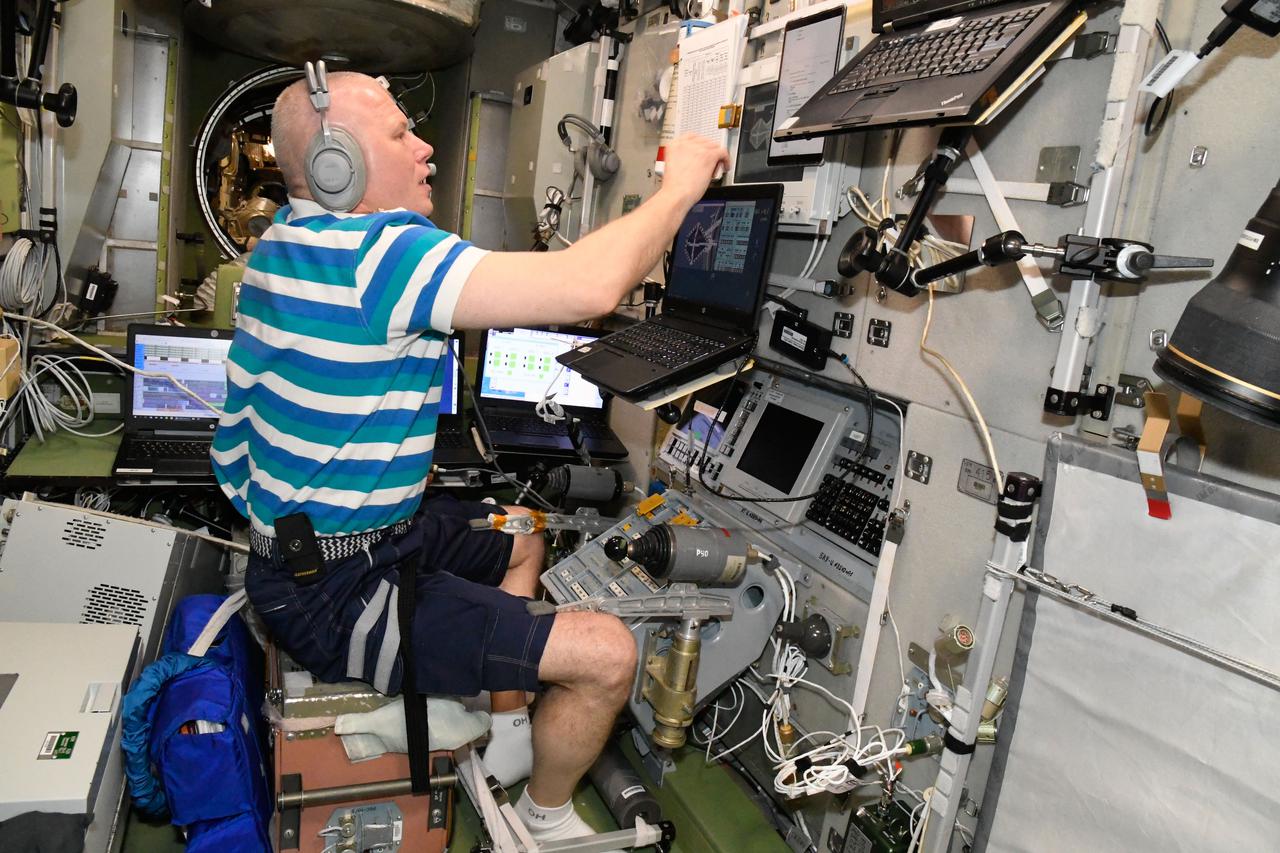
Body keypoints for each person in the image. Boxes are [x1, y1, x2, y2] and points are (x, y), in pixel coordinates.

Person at [210, 70, 728, 847]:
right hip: (337, 590)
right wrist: (681, 186)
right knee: (608, 657)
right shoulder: (381, 253)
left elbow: (234, 452)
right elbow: (592, 283)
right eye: (397, 135)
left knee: (523, 531)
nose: (425, 148)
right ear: (334, 164)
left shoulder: (278, 244)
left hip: (321, 553)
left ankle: (512, 736)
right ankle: (543, 818)